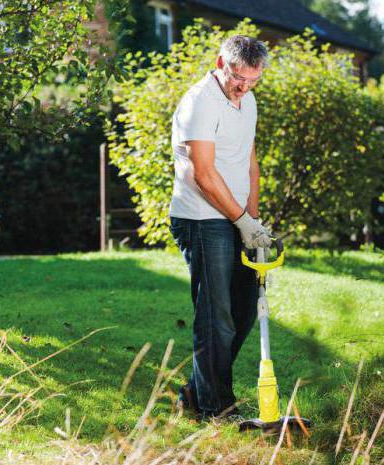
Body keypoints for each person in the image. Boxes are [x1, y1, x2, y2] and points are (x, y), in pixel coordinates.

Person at [169, 35, 272, 420]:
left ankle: (195, 394)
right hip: (200, 217)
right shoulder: (200, 101)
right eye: (237, 77)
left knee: (245, 311)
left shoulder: (249, 101)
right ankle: (217, 408)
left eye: (253, 79)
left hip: (237, 217)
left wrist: (254, 221)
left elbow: (249, 163)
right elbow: (204, 174)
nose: (243, 86)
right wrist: (241, 220)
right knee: (216, 316)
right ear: (220, 63)